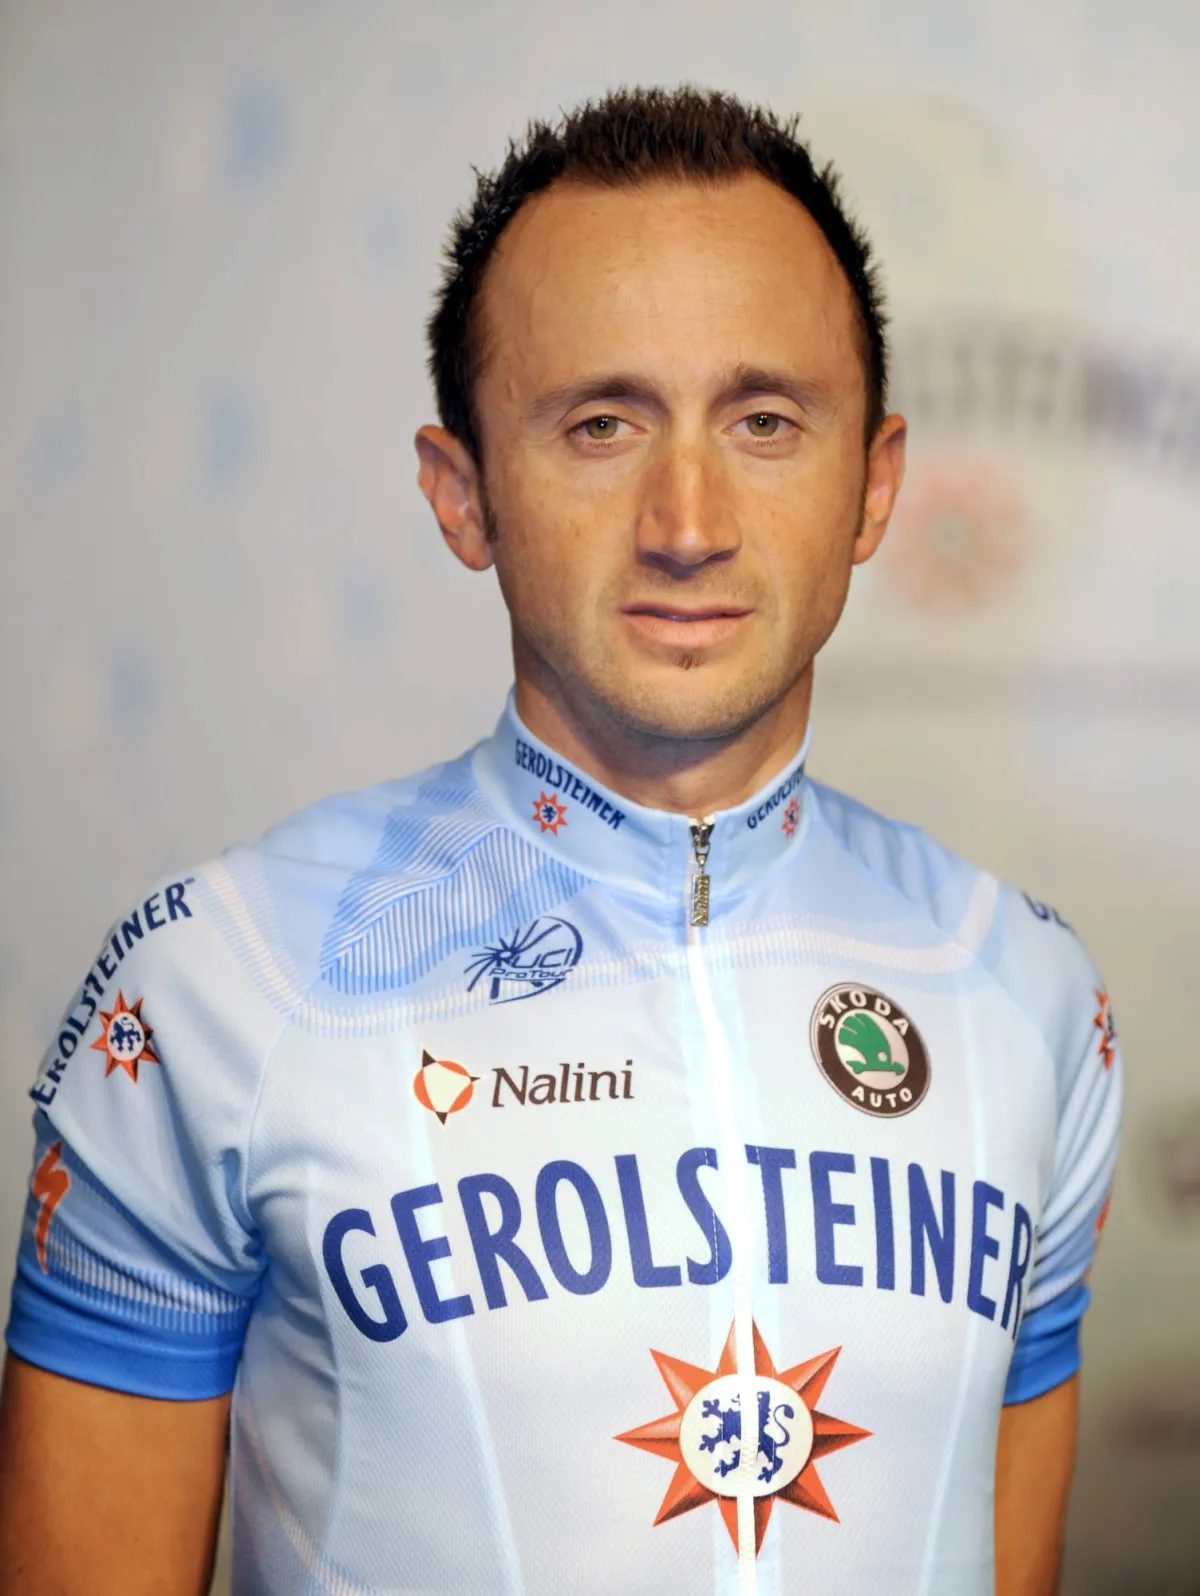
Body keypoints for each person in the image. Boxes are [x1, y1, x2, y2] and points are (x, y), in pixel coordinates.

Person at [0, 87, 1121, 1596]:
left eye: (765, 422)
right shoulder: (220, 985)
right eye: (601, 426)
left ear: (875, 484)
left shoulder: (1026, 990)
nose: (688, 522)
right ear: (463, 494)